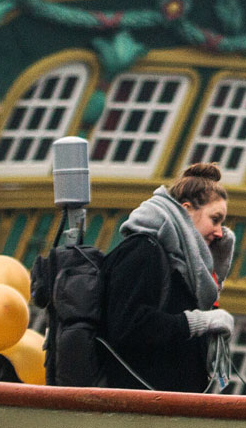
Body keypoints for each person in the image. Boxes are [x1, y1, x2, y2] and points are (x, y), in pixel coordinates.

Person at [101, 162, 237, 393]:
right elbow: (128, 326)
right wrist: (198, 322)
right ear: (187, 210)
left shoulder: (181, 267)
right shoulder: (143, 250)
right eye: (215, 219)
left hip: (162, 402)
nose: (219, 232)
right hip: (136, 403)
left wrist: (216, 267)